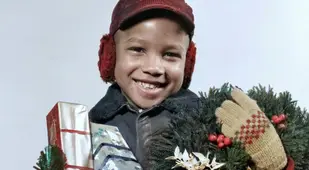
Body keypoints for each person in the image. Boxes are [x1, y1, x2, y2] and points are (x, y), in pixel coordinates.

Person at [89, 0, 294, 169]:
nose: (154, 68)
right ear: (110, 55)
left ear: (187, 63)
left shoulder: (211, 121)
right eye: (137, 49)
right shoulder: (88, 126)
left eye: (170, 54)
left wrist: (277, 165)